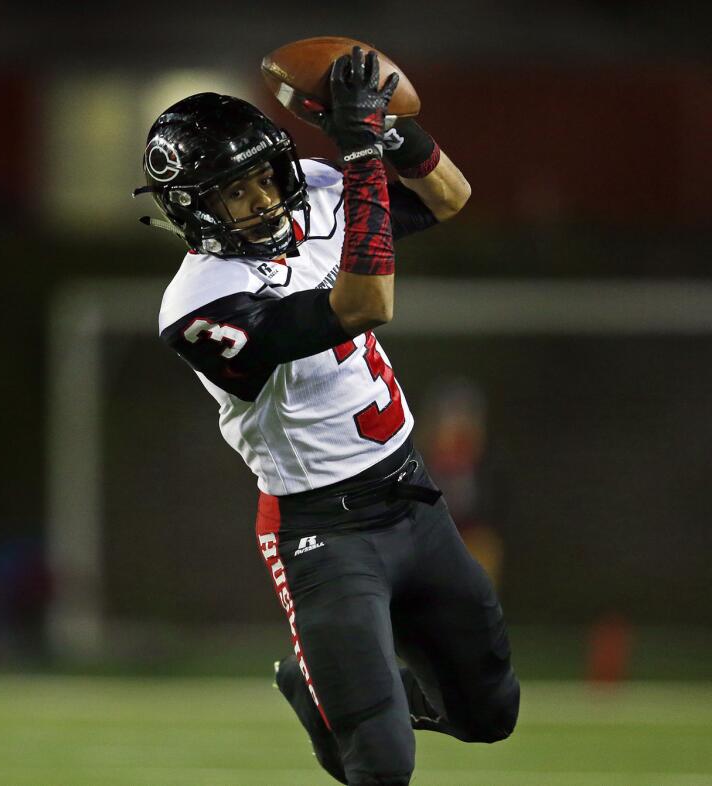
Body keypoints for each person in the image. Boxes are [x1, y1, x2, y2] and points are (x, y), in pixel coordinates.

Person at [139, 48, 519, 785]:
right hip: (324, 530)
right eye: (234, 193)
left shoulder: (309, 191)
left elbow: (451, 196)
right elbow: (365, 303)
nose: (261, 201)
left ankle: (335, 691)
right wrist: (363, 155)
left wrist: (386, 130)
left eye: (263, 177)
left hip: (414, 497)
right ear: (192, 210)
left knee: (489, 715)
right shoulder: (196, 306)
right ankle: (339, 699)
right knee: (380, 759)